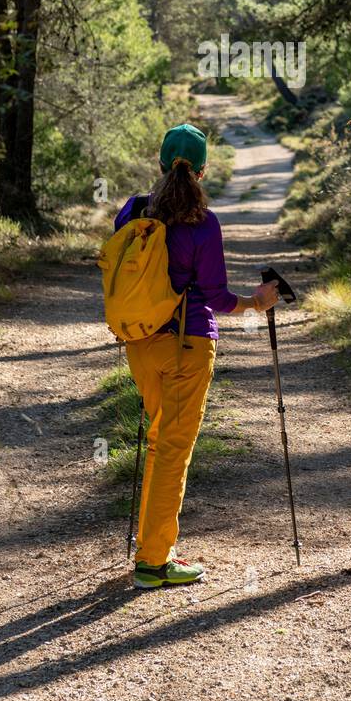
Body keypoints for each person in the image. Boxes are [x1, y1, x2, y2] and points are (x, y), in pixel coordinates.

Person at [114, 122, 279, 589]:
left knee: (158, 439)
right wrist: (255, 302)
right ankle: (153, 562)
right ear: (203, 170)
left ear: (160, 162)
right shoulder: (203, 223)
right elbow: (215, 296)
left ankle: (151, 543)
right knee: (172, 450)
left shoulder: (132, 212)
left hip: (141, 342)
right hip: (188, 345)